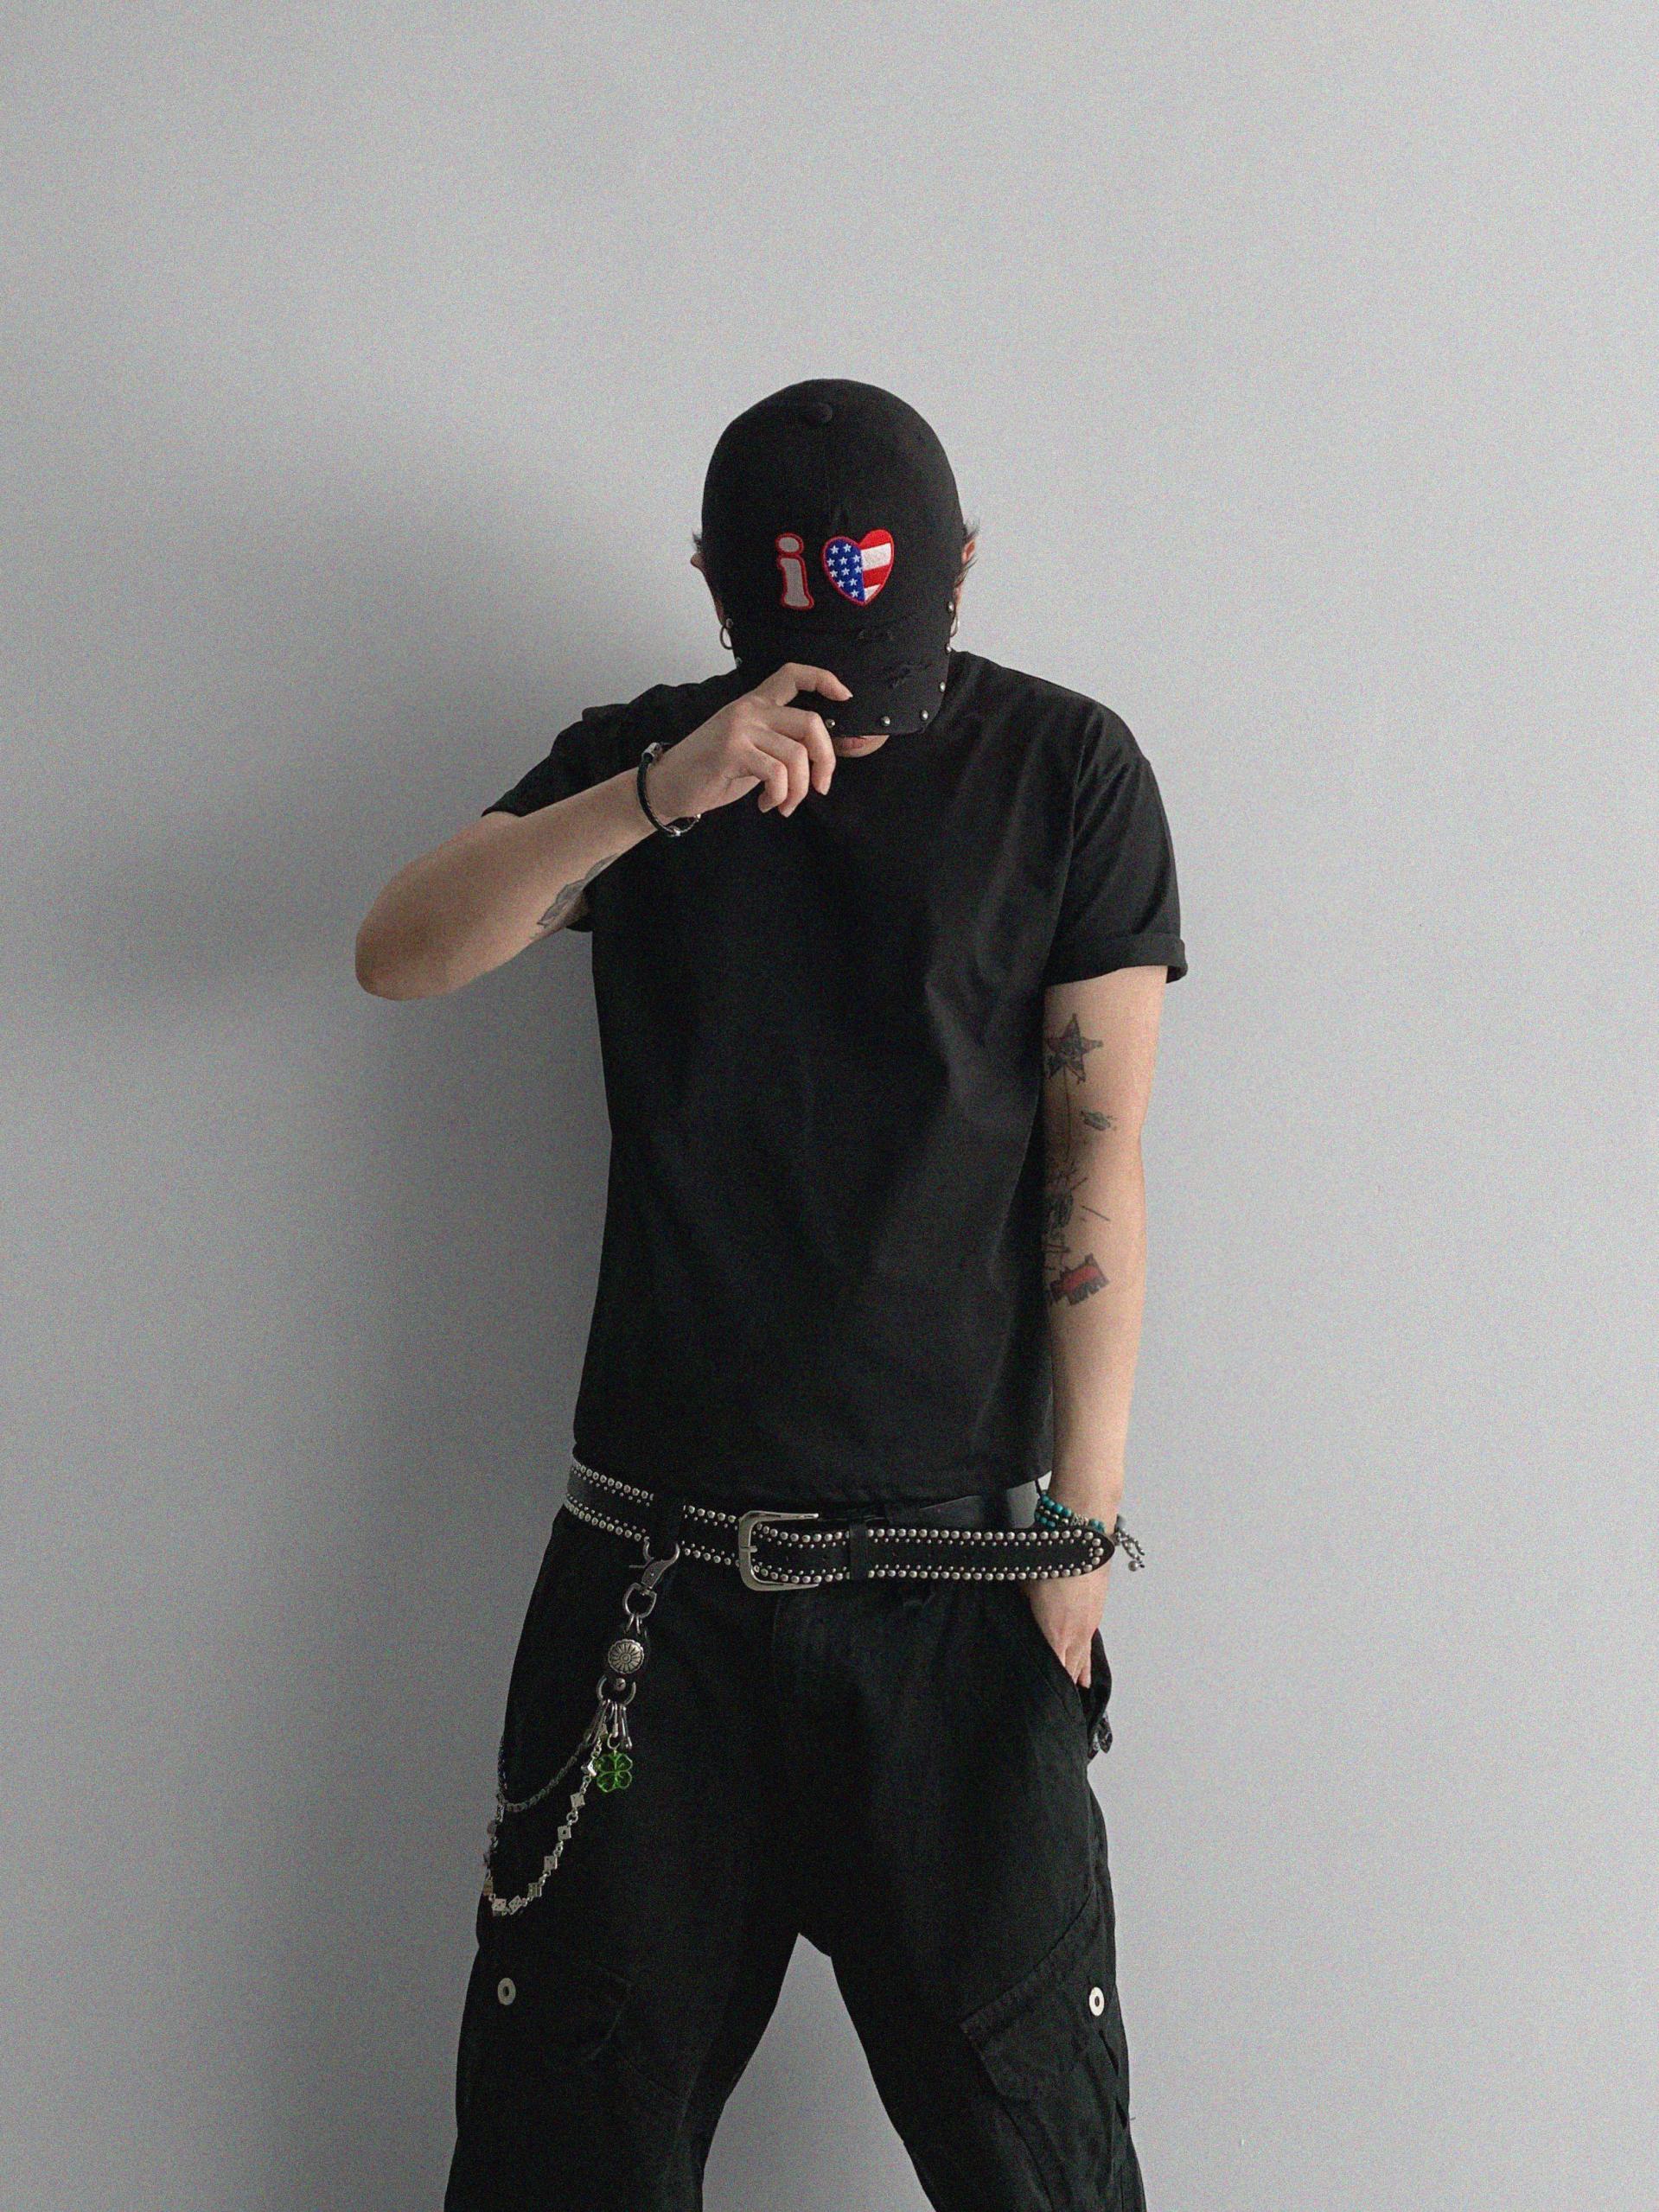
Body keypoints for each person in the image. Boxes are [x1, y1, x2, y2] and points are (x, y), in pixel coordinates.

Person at [354, 377, 1187, 2210]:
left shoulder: (1067, 772)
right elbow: (399, 950)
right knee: (565, 2163)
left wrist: (1082, 1530)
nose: (854, 705)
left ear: (963, 568)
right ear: (717, 589)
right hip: (655, 1596)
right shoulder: (643, 764)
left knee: (1043, 2157)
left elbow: (1098, 1153)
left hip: (954, 1590)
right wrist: (662, 793)